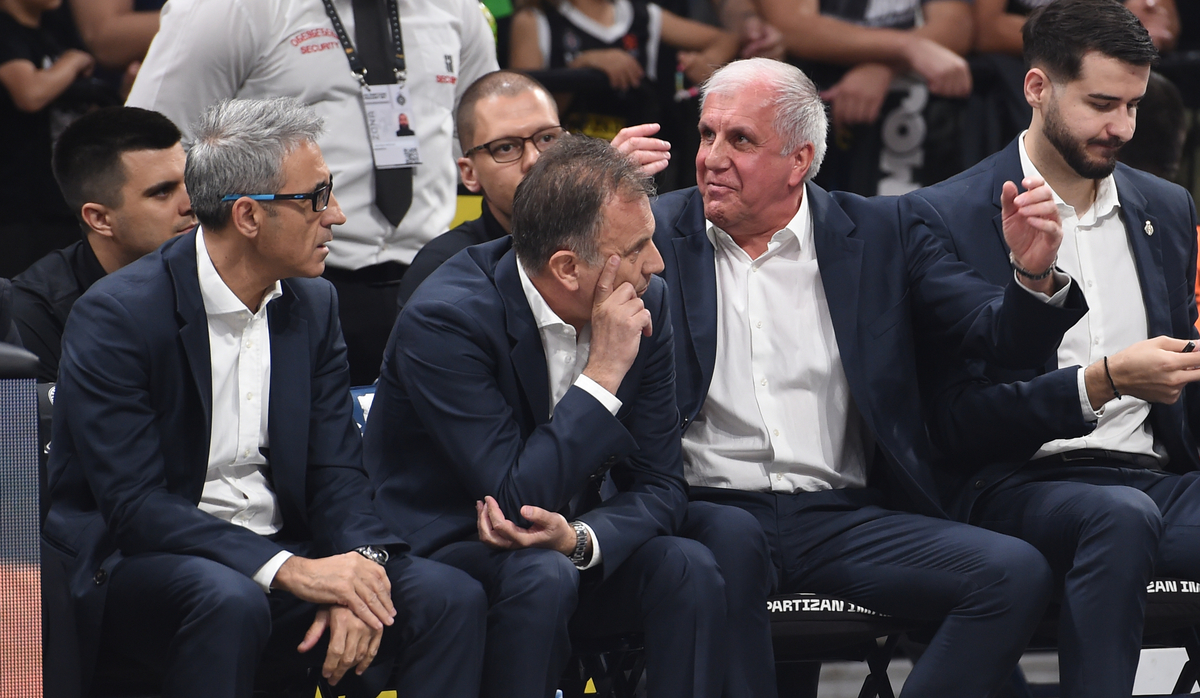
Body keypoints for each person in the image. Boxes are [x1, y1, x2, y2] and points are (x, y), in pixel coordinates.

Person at [653, 57, 1091, 698]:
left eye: (740, 140)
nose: (712, 157)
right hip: (710, 509)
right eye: (707, 135)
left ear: (799, 160)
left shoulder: (885, 232)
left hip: (841, 515)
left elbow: (992, 337)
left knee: (1013, 572)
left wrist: (1030, 279)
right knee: (727, 547)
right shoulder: (655, 233)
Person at [41, 97, 486, 698]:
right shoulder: (117, 315)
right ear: (248, 216)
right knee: (229, 598)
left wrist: (360, 571)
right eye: (317, 198)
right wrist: (293, 572)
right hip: (140, 559)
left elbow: (336, 471)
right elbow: (136, 506)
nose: (339, 217)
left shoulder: (314, 303)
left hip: (285, 547)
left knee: (447, 595)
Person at [366, 133, 774, 698]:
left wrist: (582, 539)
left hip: (566, 537)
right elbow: (511, 503)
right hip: (453, 541)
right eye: (636, 250)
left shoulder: (644, 298)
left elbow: (660, 483)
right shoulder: (447, 320)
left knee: (694, 559)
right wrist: (603, 373)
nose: (656, 264)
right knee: (540, 575)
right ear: (566, 267)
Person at [907, 2, 1200, 697]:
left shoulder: (1168, 206)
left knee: (1130, 512)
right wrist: (1099, 382)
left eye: (1132, 105)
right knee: (1118, 518)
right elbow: (955, 421)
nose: (1122, 128)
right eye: (1102, 104)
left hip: (1155, 478)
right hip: (1013, 483)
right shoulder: (942, 214)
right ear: (1037, 88)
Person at [127, 0, 499, 385]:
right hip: (280, 285)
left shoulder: (459, 9)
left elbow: (481, 135)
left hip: (432, 277)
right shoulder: (229, 8)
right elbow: (150, 147)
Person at [396, 69, 671, 307]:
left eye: (547, 138)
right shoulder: (441, 270)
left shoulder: (631, 248)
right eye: (505, 148)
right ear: (469, 173)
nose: (534, 159)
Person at [11, 106, 194, 383]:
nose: (191, 204)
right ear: (100, 219)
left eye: (191, 182)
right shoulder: (33, 315)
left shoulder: (219, 271)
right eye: (162, 192)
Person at [0, 0, 111, 278]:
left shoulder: (53, 32)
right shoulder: (6, 32)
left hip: (61, 201)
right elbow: (29, 93)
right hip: (18, 208)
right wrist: (72, 62)